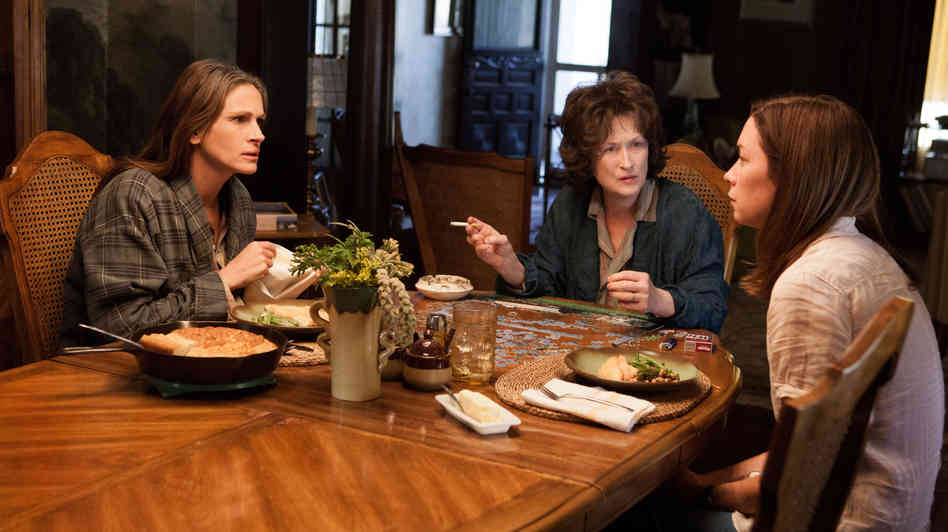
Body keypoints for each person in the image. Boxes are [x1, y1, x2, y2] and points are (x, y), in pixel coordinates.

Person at [669, 95, 944, 531]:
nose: (728, 175)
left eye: (743, 159)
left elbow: (802, 481)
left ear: (791, 176)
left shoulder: (810, 285)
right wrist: (706, 482)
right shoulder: (863, 254)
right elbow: (805, 450)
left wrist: (706, 494)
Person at [465, 71, 728, 332]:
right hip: (578, 349)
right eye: (611, 148)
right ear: (587, 156)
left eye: (636, 144)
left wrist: (660, 300)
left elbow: (713, 307)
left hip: (652, 355)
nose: (628, 162)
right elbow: (548, 287)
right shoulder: (571, 203)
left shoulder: (686, 211)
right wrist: (512, 267)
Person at [60, 59, 278, 346]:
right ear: (194, 130)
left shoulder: (238, 199)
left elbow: (231, 313)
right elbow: (120, 327)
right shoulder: (133, 195)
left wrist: (282, 282)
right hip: (111, 365)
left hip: (208, 359)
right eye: (239, 119)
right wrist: (225, 280)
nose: (258, 135)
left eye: (259, 121)